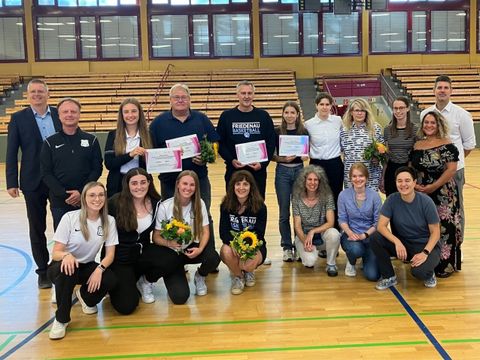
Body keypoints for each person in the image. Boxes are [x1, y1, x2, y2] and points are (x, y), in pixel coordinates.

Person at [150, 83, 219, 259]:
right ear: (170, 100)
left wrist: (207, 156)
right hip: (169, 182)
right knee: (171, 220)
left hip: (199, 180)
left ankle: (208, 254)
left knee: (204, 216)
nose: (180, 100)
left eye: (184, 97)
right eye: (176, 97)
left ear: (189, 99)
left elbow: (215, 144)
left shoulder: (201, 119)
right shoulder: (158, 123)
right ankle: (174, 255)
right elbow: (151, 151)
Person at [5, 79, 61, 289]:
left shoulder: (59, 113)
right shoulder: (18, 118)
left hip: (58, 178)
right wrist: (12, 181)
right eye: (33, 92)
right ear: (28, 95)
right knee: (36, 227)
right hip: (32, 180)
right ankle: (43, 271)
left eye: (40, 91)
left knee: (63, 224)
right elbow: (11, 151)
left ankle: (63, 265)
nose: (37, 94)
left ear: (48, 93)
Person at [47, 182, 118, 340]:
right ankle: (61, 319)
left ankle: (85, 297)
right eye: (92, 195)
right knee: (68, 269)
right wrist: (67, 256)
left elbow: (110, 255)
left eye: (100, 195)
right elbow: (56, 253)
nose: (97, 199)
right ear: (84, 199)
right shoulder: (70, 218)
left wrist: (99, 269)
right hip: (61, 266)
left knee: (110, 279)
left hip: (86, 265)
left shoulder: (109, 221)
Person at [420, 75, 476, 258]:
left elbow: (468, 145)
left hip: (454, 172)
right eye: (439, 87)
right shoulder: (425, 113)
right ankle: (433, 246)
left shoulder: (462, 114)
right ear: (434, 91)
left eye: (446, 87)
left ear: (451, 91)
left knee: (456, 210)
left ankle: (455, 247)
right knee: (434, 209)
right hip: (431, 173)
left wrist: (451, 164)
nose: (442, 90)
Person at [107, 168, 170, 313]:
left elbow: (159, 232)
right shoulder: (114, 203)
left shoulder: (156, 203)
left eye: (143, 182)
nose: (139, 187)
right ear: (127, 185)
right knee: (126, 307)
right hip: (120, 259)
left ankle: (145, 281)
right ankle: (119, 283)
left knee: (171, 257)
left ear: (149, 183)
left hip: (142, 254)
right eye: (134, 183)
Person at [152, 170, 220, 299]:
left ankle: (200, 276)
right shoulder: (165, 206)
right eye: (184, 184)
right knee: (180, 297)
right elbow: (155, 237)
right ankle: (149, 280)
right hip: (171, 252)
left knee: (213, 258)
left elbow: (206, 231)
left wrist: (200, 249)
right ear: (177, 184)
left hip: (189, 248)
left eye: (192, 185)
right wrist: (169, 243)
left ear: (196, 187)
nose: (188, 188)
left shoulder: (199, 203)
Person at [370, 166, 441, 290]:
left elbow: (435, 232)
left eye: (407, 180)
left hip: (425, 246)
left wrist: (425, 253)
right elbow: (381, 226)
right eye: (399, 181)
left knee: (419, 273)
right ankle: (389, 277)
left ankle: (429, 273)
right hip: (404, 245)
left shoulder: (426, 202)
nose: (403, 184)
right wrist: (396, 242)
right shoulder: (392, 199)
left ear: (414, 182)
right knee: (375, 237)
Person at [410, 111, 461, 277]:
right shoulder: (417, 145)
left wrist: (434, 186)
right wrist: (416, 186)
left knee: (445, 227)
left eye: (432, 123)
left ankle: (445, 265)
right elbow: (411, 168)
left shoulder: (447, 144)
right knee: (427, 227)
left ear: (439, 125)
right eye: (426, 123)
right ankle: (426, 261)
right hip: (422, 192)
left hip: (443, 192)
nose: (429, 126)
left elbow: (451, 170)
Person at [40, 98, 103, 229]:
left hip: (87, 200)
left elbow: (97, 169)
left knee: (87, 239)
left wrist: (81, 192)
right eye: (65, 111)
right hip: (59, 202)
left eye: (73, 111)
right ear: (59, 115)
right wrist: (64, 194)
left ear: (79, 114)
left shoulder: (91, 140)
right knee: (63, 242)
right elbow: (46, 173)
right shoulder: (49, 142)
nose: (69, 114)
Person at [216, 80, 276, 199]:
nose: (246, 96)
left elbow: (271, 142)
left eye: (249, 93)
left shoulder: (263, 116)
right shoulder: (226, 116)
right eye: (243, 93)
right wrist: (231, 159)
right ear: (237, 94)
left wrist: (263, 163)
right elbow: (220, 143)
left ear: (253, 95)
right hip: (234, 170)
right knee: (233, 206)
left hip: (257, 172)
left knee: (257, 206)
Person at [219, 170, 267, 295]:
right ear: (233, 186)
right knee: (225, 251)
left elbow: (259, 233)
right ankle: (238, 276)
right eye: (238, 184)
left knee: (247, 264)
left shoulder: (260, 206)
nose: (241, 187)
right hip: (233, 245)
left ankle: (248, 271)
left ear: (251, 187)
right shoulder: (225, 205)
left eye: (245, 184)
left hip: (253, 246)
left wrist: (243, 247)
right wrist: (233, 244)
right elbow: (223, 232)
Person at [273, 101, 307, 262]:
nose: (289, 115)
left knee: (299, 211)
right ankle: (287, 246)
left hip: (300, 171)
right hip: (283, 172)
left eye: (292, 112)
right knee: (284, 212)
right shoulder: (277, 132)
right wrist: (282, 158)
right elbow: (271, 155)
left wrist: (305, 155)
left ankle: (299, 243)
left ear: (298, 114)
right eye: (286, 112)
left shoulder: (303, 131)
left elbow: (307, 152)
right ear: (283, 114)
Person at [292, 165, 341, 275]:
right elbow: (297, 226)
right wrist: (305, 241)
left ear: (320, 182)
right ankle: (303, 250)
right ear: (304, 181)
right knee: (309, 262)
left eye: (316, 180)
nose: (312, 183)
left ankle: (331, 264)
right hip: (304, 236)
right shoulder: (296, 197)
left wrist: (313, 231)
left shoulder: (327, 196)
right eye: (309, 179)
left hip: (321, 234)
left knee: (334, 234)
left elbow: (330, 222)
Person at [338, 163, 381, 281]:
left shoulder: (375, 196)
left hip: (370, 237)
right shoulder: (343, 195)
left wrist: (365, 235)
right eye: (354, 176)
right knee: (356, 250)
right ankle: (351, 262)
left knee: (373, 276)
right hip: (350, 236)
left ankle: (366, 259)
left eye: (361, 176)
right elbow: (342, 219)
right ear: (350, 178)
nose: (358, 179)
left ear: (367, 178)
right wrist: (350, 233)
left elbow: (378, 222)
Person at [304, 93, 344, 214]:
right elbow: (304, 145)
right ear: (316, 105)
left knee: (336, 195)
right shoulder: (308, 124)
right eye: (321, 104)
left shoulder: (338, 121)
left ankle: (336, 227)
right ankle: (319, 225)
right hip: (316, 165)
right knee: (317, 196)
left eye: (327, 104)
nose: (324, 107)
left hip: (335, 163)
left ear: (331, 106)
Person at [104, 98, 151, 197]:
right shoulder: (113, 135)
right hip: (117, 184)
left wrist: (175, 154)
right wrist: (131, 154)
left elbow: (155, 161)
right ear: (122, 115)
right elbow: (109, 163)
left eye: (134, 111)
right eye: (126, 112)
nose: (130, 115)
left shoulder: (149, 135)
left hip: (141, 184)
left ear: (139, 113)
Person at [340, 98, 384, 191]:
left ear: (367, 112)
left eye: (363, 110)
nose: (360, 113)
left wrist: (377, 157)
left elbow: (382, 150)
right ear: (351, 112)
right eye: (357, 110)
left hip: (371, 175)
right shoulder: (344, 130)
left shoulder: (375, 128)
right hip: (351, 176)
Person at [381, 96, 418, 196]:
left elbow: (417, 154)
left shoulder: (415, 130)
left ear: (407, 108)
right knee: (392, 200)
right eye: (395, 108)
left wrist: (411, 173)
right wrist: (383, 177)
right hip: (391, 170)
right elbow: (386, 155)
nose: (398, 111)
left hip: (408, 169)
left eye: (401, 108)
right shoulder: (387, 130)